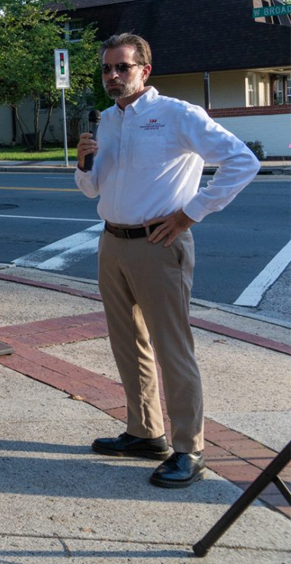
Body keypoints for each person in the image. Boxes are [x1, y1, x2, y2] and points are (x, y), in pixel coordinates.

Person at [76, 33, 259, 488]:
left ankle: (189, 448)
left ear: (145, 70)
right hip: (112, 242)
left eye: (122, 67)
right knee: (127, 343)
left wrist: (188, 214)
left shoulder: (175, 114)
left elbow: (242, 161)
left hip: (159, 246)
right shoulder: (107, 121)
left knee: (172, 349)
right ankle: (144, 433)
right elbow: (93, 190)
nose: (113, 76)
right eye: (107, 69)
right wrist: (83, 165)